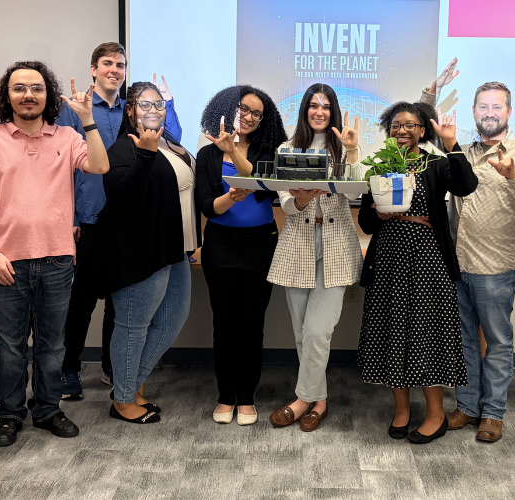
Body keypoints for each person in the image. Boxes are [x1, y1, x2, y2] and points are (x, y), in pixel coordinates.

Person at [0, 61, 109, 447]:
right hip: (6, 261)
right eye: (19, 88)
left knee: (52, 346)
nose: (28, 95)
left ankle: (47, 409)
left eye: (36, 88)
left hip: (58, 259)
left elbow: (99, 165)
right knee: (10, 348)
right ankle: (10, 414)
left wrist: (89, 120)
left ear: (48, 95)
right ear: (8, 95)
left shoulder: (66, 136)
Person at [55, 43, 184, 397]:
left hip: (129, 224)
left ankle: (115, 369)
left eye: (121, 64)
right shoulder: (75, 110)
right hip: (90, 218)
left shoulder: (135, 107)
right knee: (80, 300)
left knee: (120, 301)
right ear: (93, 69)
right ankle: (68, 369)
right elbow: (59, 166)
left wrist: (167, 106)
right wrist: (71, 216)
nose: (115, 69)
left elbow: (170, 139)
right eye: (107, 63)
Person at [426, 81, 515, 442]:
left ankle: (493, 413)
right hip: (458, 265)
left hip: (496, 267)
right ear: (474, 113)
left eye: (497, 107)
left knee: (497, 341)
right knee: (464, 342)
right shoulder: (458, 150)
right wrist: (430, 96)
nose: (489, 113)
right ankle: (467, 407)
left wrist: (513, 176)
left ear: (508, 113)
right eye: (483, 107)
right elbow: (421, 126)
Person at [357, 102, 478, 444]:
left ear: (423, 130)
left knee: (427, 333)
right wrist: (379, 214)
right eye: (396, 125)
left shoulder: (435, 163)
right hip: (389, 262)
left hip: (427, 261)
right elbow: (366, 221)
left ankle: (436, 413)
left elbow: (466, 186)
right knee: (393, 330)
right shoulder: (379, 167)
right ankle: (401, 409)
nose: (402, 130)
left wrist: (452, 145)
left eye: (411, 125)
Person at [93, 81, 197, 424]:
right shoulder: (123, 150)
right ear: (130, 110)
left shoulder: (170, 144)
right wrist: (147, 155)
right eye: (145, 105)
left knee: (171, 322)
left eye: (159, 105)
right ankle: (123, 400)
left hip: (175, 249)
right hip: (141, 254)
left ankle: (131, 385)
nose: (154, 111)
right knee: (133, 326)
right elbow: (122, 199)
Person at [266, 84, 363, 432]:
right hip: (298, 242)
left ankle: (301, 399)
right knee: (301, 332)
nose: (319, 111)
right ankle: (319, 401)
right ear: (305, 110)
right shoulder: (286, 149)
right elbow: (285, 201)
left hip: (336, 242)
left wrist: (352, 151)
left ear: (333, 110)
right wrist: (304, 198)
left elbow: (359, 186)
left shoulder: (345, 148)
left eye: (325, 106)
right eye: (313, 105)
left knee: (318, 331)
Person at [195, 85, 287, 425]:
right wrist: (229, 199)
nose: (247, 117)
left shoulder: (268, 151)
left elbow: (262, 188)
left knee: (252, 322)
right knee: (224, 322)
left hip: (260, 243)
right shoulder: (206, 156)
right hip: (219, 242)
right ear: (226, 109)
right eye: (242, 109)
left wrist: (233, 151)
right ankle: (225, 395)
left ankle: (246, 397)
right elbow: (207, 206)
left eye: (255, 113)